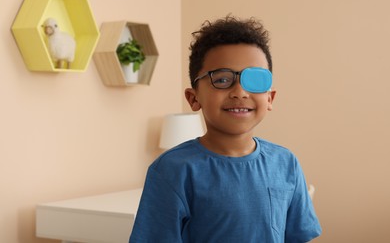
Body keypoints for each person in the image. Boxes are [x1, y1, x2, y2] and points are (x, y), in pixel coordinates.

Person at [129, 15, 321, 242]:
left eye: (255, 80)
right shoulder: (172, 171)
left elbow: (298, 237)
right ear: (193, 97)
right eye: (221, 80)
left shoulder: (286, 163)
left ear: (270, 98)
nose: (239, 91)